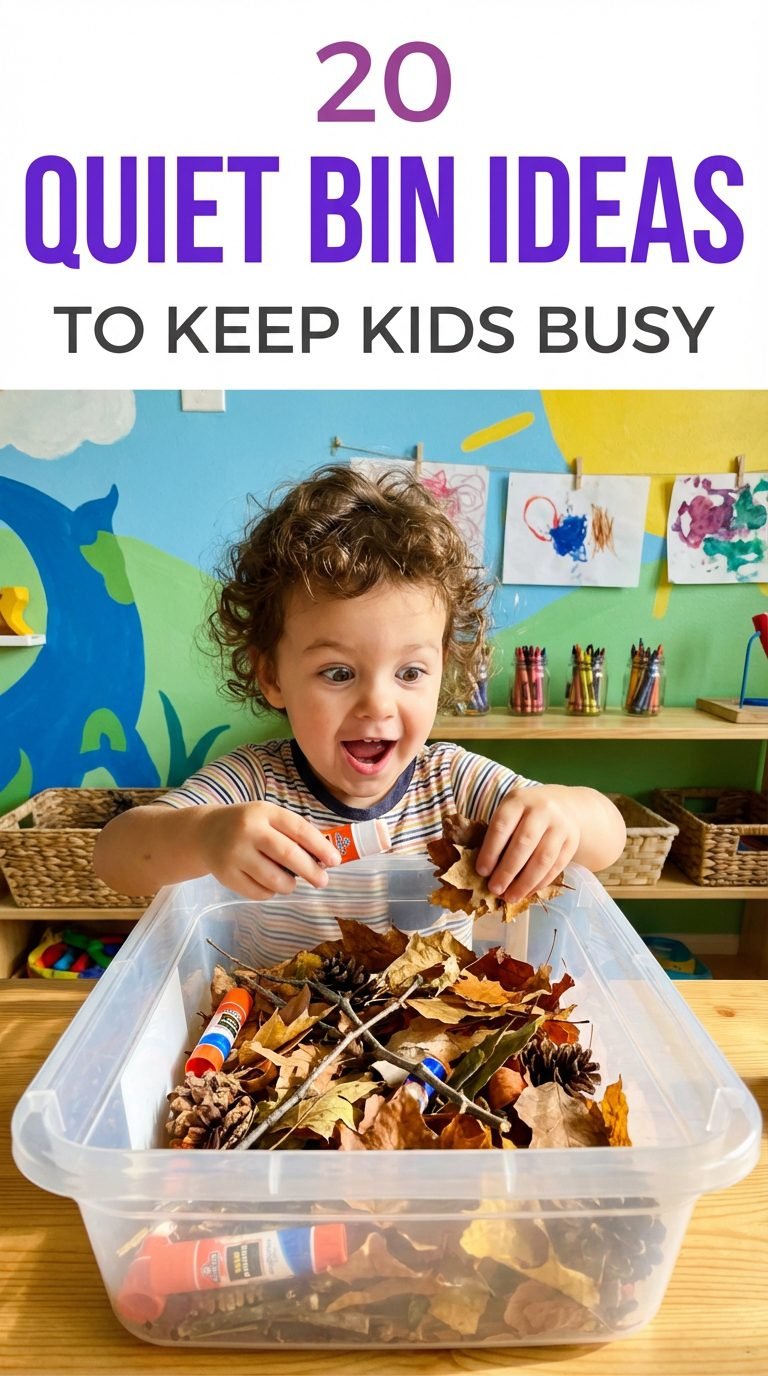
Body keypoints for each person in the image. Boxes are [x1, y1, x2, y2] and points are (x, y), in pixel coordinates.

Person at [94, 464, 626, 924]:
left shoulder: (452, 782)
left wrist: (562, 813)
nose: (377, 704)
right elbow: (114, 856)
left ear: (444, 669)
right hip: (271, 1006)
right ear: (272, 677)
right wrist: (205, 835)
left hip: (432, 1010)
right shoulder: (253, 784)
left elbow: (611, 838)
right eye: (338, 673)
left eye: (410, 672)